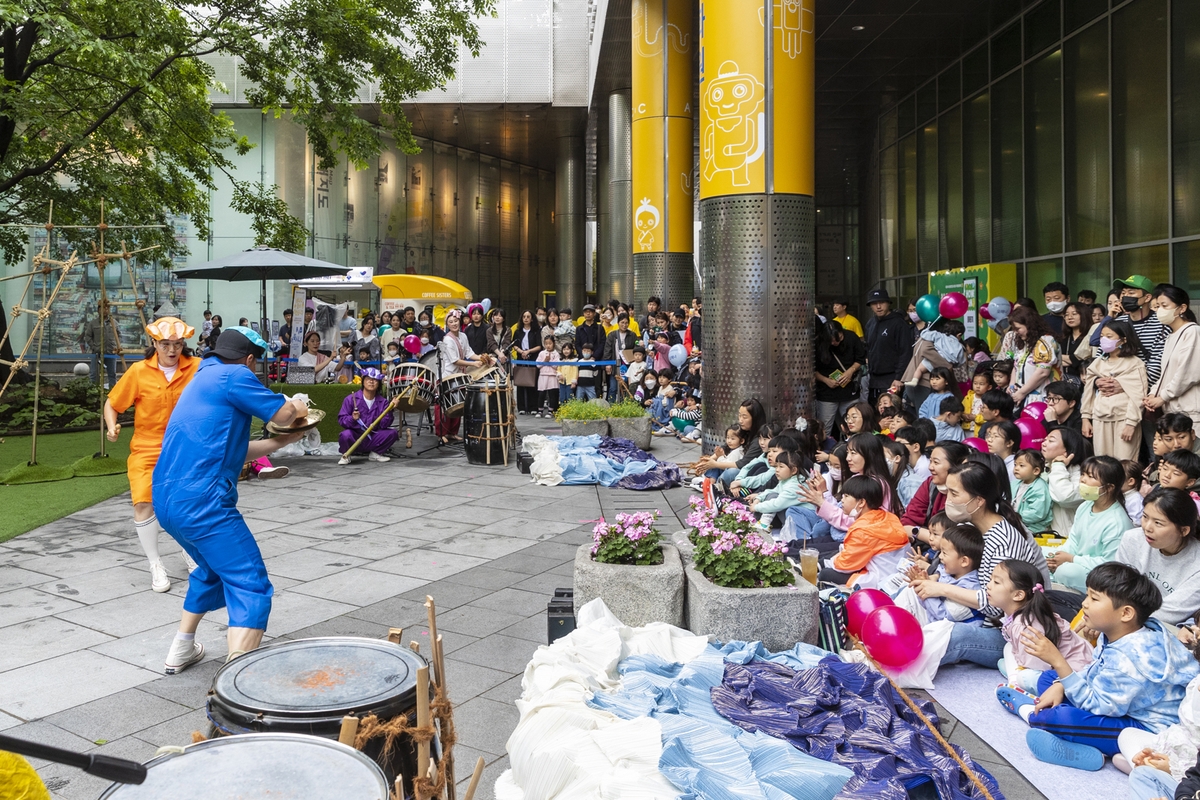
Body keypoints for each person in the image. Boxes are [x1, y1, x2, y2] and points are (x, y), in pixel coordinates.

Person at [154, 327, 308, 674]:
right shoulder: (235, 374)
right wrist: (298, 403)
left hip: (166, 499)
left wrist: (280, 444)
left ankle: (182, 647)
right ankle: (236, 682)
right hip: (203, 501)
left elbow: (231, 449)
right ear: (251, 359)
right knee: (250, 584)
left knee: (210, 569)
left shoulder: (201, 378)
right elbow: (284, 415)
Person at [1001, 563, 1198, 770]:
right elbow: (1094, 669)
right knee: (1052, 680)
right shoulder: (1124, 632)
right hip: (1120, 703)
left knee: (1060, 718)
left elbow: (1097, 706)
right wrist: (1060, 683)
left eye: (1094, 598)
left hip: (1147, 727)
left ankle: (1028, 710)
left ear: (1126, 613)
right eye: (1087, 595)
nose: (1085, 604)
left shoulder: (1129, 660)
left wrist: (1058, 659)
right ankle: (1092, 744)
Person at [103, 318, 201, 592]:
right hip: (146, 447)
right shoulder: (138, 372)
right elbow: (112, 404)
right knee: (143, 503)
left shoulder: (197, 368)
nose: (172, 350)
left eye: (178, 344)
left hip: (185, 447)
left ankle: (189, 551)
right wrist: (112, 427)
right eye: (166, 344)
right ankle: (155, 563)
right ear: (154, 344)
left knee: (185, 502)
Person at [931, 462, 1052, 668]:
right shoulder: (970, 527)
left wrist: (941, 588)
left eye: (954, 494)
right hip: (974, 616)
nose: (947, 501)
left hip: (1004, 632)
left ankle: (898, 661)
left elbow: (996, 606)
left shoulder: (1004, 541)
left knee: (953, 635)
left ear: (978, 500)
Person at [992, 559, 1094, 694]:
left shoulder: (1027, 627)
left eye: (996, 582)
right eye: (990, 580)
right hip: (1066, 659)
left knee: (1025, 677)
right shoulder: (1019, 616)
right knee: (1009, 647)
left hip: (1074, 670)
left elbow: (1040, 667)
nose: (988, 586)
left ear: (1018, 595)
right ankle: (1014, 678)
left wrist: (1022, 670)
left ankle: (1016, 684)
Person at [1045, 456, 1131, 593]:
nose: (1082, 479)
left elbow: (1110, 564)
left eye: (1090, 476)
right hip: (1076, 561)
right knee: (1041, 552)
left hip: (1100, 575)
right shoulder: (1085, 506)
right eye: (1083, 474)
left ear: (1109, 487)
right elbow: (1073, 540)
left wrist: (1072, 559)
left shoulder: (1116, 522)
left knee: (1067, 571)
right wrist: (1056, 557)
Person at [1116, 487, 1200, 626]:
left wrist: (1116, 619)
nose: (1147, 527)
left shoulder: (1196, 565)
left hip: (1158, 627)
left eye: (1158, 523)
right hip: (1121, 613)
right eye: (1145, 517)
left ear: (1184, 530)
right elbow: (1117, 584)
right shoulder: (1132, 538)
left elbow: (1169, 612)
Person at [815, 475, 908, 588]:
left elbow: (845, 565)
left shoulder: (864, 530)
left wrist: (827, 564)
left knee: (826, 574)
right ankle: (818, 564)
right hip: (897, 572)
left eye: (846, 496)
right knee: (840, 550)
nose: (842, 500)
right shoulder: (888, 516)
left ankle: (817, 565)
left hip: (880, 580)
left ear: (861, 502)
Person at [1081, 319, 1147, 460]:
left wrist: (1131, 423)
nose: (1104, 340)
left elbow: (1138, 396)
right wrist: (1086, 418)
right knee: (1102, 463)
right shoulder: (1097, 363)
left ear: (1123, 340)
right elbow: (1088, 392)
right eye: (1102, 336)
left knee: (1125, 463)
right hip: (1100, 418)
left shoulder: (1135, 364)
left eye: (1109, 337)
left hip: (1123, 419)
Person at [898, 524, 985, 624]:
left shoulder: (970, 589)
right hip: (930, 615)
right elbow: (940, 571)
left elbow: (942, 615)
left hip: (943, 626)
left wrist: (924, 591)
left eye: (944, 553)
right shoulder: (952, 571)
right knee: (909, 592)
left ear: (964, 561)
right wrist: (925, 580)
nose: (940, 556)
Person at [1144, 284, 1200, 437]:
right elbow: (1166, 373)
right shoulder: (1171, 336)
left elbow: (1188, 374)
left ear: (1182, 308)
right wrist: (1153, 393)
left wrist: (1163, 397)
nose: (1159, 310)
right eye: (1157, 306)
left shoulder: (1192, 332)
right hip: (1173, 411)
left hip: (1190, 412)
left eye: (1164, 305)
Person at [436, 309, 486, 443]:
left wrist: (482, 358)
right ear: (447, 324)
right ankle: (441, 433)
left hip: (459, 374)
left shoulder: (463, 336)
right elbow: (455, 360)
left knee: (458, 404)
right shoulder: (447, 339)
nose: (454, 324)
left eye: (456, 321)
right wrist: (474, 363)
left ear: (460, 321)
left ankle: (452, 432)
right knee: (444, 405)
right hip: (448, 374)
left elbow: (469, 352)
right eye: (450, 322)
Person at [814, 320, 866, 439]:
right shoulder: (818, 343)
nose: (835, 342)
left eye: (839, 338)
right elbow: (813, 369)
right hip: (826, 393)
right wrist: (825, 380)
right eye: (831, 341)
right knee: (825, 427)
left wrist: (850, 371)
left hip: (849, 390)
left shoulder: (851, 337)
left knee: (854, 426)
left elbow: (860, 359)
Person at [864, 288, 915, 404]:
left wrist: (899, 378)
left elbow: (905, 352)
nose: (878, 306)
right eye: (874, 303)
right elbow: (868, 347)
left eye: (881, 303)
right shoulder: (870, 323)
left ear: (888, 303)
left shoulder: (898, 323)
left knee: (891, 412)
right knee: (875, 412)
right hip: (873, 379)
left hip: (892, 378)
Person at [336, 367, 397, 465]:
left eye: (375, 380)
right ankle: (346, 454)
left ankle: (375, 453)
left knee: (392, 433)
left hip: (372, 437)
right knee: (345, 435)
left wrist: (390, 410)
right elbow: (341, 419)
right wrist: (352, 419)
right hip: (355, 437)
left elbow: (384, 425)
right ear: (363, 381)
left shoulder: (383, 402)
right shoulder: (351, 399)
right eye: (368, 379)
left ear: (379, 384)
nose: (371, 382)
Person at [1005, 306, 1061, 407]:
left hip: (1041, 398)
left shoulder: (1046, 341)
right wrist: (1012, 385)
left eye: (1018, 328)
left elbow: (1043, 372)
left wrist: (1022, 392)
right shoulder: (1025, 342)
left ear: (1029, 325)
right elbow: (1016, 366)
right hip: (1022, 396)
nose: (1016, 332)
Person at [1044, 426, 1092, 536]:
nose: (1044, 443)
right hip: (1046, 537)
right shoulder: (1044, 469)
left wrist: (1058, 465)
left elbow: (1064, 496)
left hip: (1066, 538)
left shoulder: (1080, 475)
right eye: (1045, 439)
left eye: (1051, 440)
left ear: (1067, 450)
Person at [1012, 449, 1054, 534]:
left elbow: (1037, 513)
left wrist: (1014, 516)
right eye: (1015, 465)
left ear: (1036, 471)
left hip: (1034, 530)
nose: (1016, 468)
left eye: (1021, 465)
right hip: (1017, 524)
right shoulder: (1014, 484)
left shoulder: (1040, 488)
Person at [602, 314, 637, 401]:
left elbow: (636, 349)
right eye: (622, 322)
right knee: (613, 388)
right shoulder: (612, 335)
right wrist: (608, 363)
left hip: (628, 365)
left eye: (626, 323)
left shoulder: (632, 335)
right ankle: (611, 406)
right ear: (618, 323)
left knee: (626, 387)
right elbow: (607, 350)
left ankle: (626, 405)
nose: (624, 325)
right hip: (615, 364)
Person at [513, 310, 542, 415]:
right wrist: (521, 352)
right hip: (521, 358)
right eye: (524, 316)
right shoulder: (518, 331)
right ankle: (521, 407)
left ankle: (533, 407)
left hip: (532, 359)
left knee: (532, 383)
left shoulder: (536, 331)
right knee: (521, 383)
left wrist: (529, 351)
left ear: (532, 319)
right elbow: (515, 344)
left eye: (528, 317)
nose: (526, 318)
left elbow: (539, 346)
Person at [82, 307, 119, 387]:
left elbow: (119, 336)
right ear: (98, 310)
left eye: (106, 309)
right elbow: (88, 336)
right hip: (97, 353)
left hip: (111, 353)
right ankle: (93, 392)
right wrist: (94, 347)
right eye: (102, 309)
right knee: (94, 374)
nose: (104, 311)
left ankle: (112, 393)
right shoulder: (93, 323)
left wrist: (116, 346)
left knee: (112, 374)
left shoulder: (114, 323)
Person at [536, 335, 560, 418]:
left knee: (552, 394)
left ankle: (550, 411)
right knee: (541, 394)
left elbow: (557, 366)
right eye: (546, 344)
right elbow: (538, 365)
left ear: (553, 343)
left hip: (552, 376)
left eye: (550, 343)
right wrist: (544, 361)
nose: (548, 345)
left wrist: (549, 361)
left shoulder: (556, 354)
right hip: (543, 376)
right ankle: (540, 410)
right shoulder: (542, 353)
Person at [485, 308, 513, 375]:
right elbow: (491, 344)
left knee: (505, 378)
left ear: (503, 319)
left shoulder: (508, 330)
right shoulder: (489, 331)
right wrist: (499, 354)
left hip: (504, 357)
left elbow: (506, 342)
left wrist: (502, 354)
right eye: (495, 315)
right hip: (493, 358)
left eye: (500, 316)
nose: (497, 318)